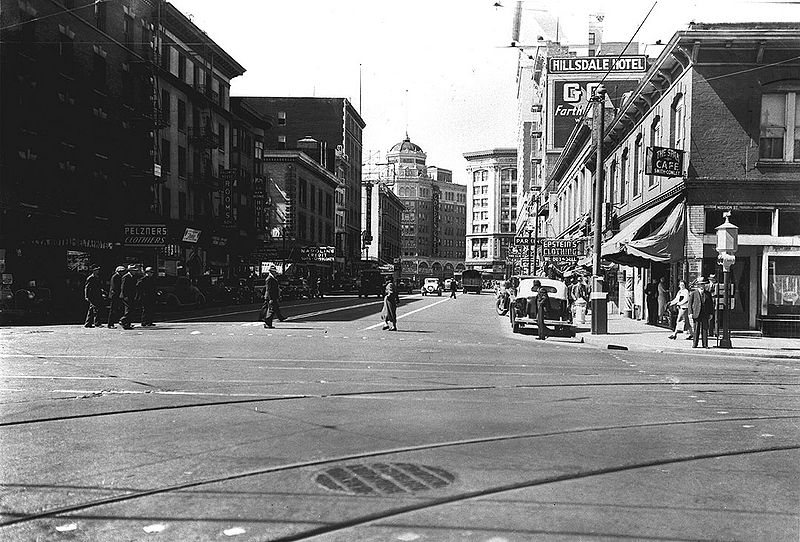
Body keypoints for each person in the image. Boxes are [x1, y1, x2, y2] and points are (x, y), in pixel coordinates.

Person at [689, 277, 714, 348]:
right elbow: (690, 304)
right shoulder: (694, 293)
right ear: (698, 285)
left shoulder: (708, 294)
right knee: (696, 329)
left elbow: (711, 304)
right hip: (696, 313)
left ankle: (705, 344)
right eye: (700, 285)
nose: (702, 286)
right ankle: (695, 344)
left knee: (705, 329)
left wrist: (711, 313)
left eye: (703, 284)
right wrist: (690, 313)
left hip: (705, 313)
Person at [261, 264, 284, 328]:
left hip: (273, 296)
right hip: (271, 297)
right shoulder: (269, 279)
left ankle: (267, 322)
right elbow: (268, 289)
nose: (275, 272)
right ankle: (268, 323)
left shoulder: (272, 278)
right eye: (274, 271)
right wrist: (270, 298)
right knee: (271, 310)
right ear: (271, 272)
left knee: (272, 309)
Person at [119, 265, 138, 329]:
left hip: (131, 296)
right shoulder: (126, 277)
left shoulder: (133, 277)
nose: (135, 272)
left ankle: (127, 324)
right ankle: (123, 320)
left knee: (131, 310)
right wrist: (124, 296)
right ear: (130, 271)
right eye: (134, 271)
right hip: (126, 296)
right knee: (128, 310)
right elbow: (123, 287)